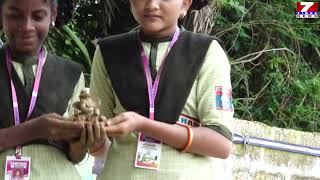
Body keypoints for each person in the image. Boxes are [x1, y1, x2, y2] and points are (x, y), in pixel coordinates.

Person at [90, 0, 234, 179]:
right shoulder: (107, 52)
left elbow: (221, 144)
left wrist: (143, 125)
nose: (151, 4)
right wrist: (88, 138)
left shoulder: (207, 52)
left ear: (185, 5)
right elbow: (97, 142)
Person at [0, 0, 107, 179]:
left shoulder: (71, 73)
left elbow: (75, 157)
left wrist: (82, 142)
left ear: (53, 15)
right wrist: (36, 129)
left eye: (38, 16)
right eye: (15, 15)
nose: (27, 26)